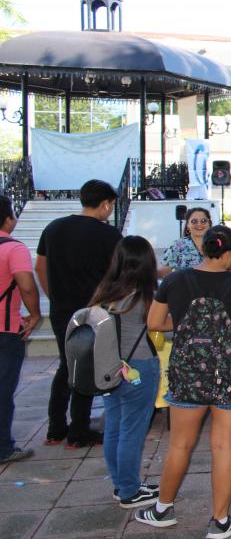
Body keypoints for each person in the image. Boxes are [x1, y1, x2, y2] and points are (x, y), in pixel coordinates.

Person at [135, 225, 231, 537]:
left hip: (187, 371)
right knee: (223, 446)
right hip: (230, 371)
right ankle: (220, 521)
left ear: (204, 249)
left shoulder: (175, 279)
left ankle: (162, 508)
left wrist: (183, 326)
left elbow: (153, 322)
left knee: (180, 444)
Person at [37, 179, 122, 448]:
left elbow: (40, 267)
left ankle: (55, 428)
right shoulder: (109, 235)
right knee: (86, 366)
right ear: (106, 204)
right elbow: (118, 273)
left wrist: (54, 296)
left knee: (66, 364)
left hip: (62, 310)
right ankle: (79, 431)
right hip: (93, 312)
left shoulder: (53, 228)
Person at [91, 236, 161, 508]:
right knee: (133, 430)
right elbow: (162, 325)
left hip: (109, 368)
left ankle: (121, 484)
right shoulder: (146, 296)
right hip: (139, 368)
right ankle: (130, 491)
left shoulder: (104, 292)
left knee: (114, 427)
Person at [0, 195, 41, 464]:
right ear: (8, 218)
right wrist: (35, 314)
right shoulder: (13, 248)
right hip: (5, 330)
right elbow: (26, 285)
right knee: (3, 390)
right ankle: (3, 446)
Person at [158, 207, 211, 277]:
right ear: (188, 225)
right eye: (194, 221)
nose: (199, 224)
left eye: (203, 221)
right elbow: (164, 271)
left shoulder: (219, 244)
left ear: (209, 223)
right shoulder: (178, 245)